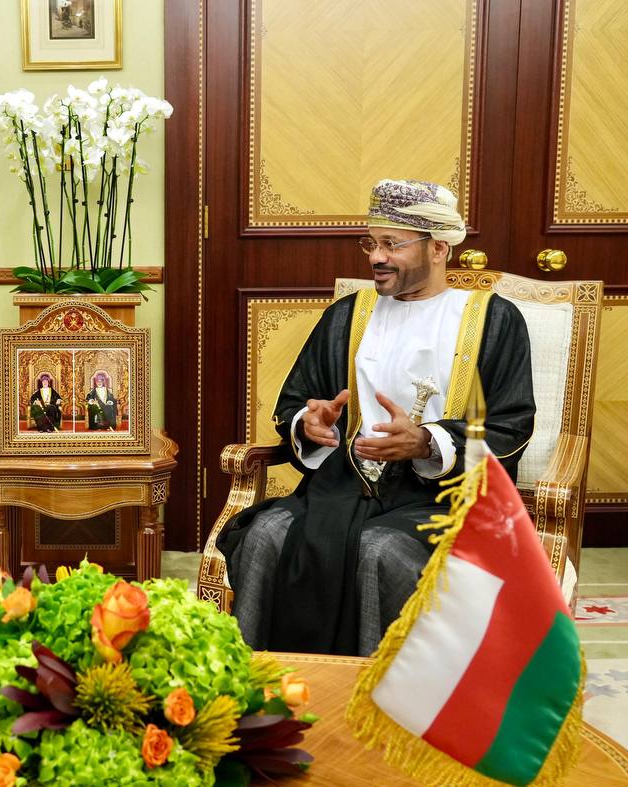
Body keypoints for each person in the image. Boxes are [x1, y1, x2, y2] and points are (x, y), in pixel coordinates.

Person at [217, 179, 535, 656]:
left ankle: (373, 695)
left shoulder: (493, 320)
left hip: (442, 498)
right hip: (342, 487)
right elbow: (298, 400)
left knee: (381, 550)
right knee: (264, 536)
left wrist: (426, 443)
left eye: (391, 244)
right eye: (370, 244)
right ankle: (262, 684)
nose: (376, 257)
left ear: (438, 248)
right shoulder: (348, 315)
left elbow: (511, 425)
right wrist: (311, 424)